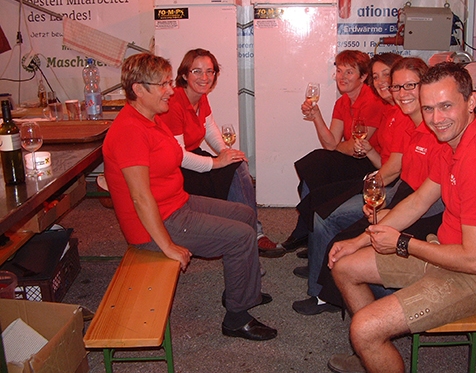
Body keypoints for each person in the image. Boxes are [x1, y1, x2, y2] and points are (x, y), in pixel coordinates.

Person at [326, 61, 476, 373]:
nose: (436, 118)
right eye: (429, 108)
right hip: (445, 252)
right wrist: (358, 241)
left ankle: (370, 339)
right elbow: (418, 202)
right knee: (345, 266)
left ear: (471, 102)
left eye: (446, 106)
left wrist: (403, 243)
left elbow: (475, 261)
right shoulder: (450, 144)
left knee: (364, 328)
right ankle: (373, 351)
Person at [103, 53, 277, 341]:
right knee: (241, 237)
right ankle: (237, 318)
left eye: (169, 82)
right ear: (138, 89)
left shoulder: (151, 118)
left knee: (245, 214)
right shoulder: (129, 131)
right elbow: (141, 198)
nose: (170, 90)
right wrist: (168, 246)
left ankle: (240, 290)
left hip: (176, 203)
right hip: (156, 224)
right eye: (162, 85)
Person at [293, 57, 443, 316]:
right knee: (315, 177)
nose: (398, 91)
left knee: (327, 215)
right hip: (393, 187)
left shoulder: (425, 126)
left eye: (409, 85)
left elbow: (402, 178)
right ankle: (317, 260)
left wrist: (372, 193)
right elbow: (343, 146)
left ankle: (324, 290)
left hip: (400, 194)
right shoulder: (397, 115)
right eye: (395, 85)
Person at [159, 48, 283, 258]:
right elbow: (179, 155)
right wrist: (218, 162)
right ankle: (250, 234)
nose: (204, 77)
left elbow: (209, 128)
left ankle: (250, 232)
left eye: (210, 71)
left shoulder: (200, 96)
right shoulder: (175, 102)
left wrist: (226, 153)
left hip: (192, 157)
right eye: (197, 71)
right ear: (184, 75)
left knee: (237, 164)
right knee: (230, 171)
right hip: (175, 167)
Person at [280, 50, 389, 253]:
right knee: (312, 170)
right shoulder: (342, 101)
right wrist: (316, 116)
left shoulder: (373, 101)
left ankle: (305, 233)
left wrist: (339, 146)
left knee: (316, 163)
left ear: (363, 76)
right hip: (353, 157)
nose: (342, 77)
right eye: (339, 71)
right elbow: (331, 142)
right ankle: (310, 234)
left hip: (371, 162)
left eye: (349, 72)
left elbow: (355, 146)